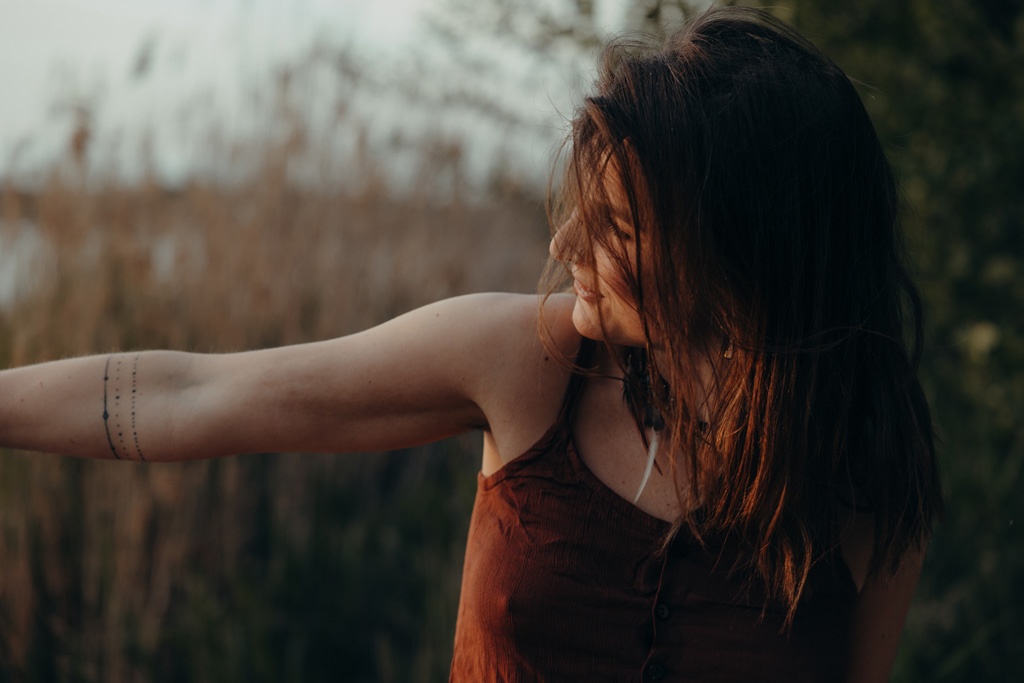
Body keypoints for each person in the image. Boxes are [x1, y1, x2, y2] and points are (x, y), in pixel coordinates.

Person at [0, 7, 941, 682]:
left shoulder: (861, 468)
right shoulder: (530, 365)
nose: (564, 248)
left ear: (737, 250)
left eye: (616, 227)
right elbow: (191, 394)